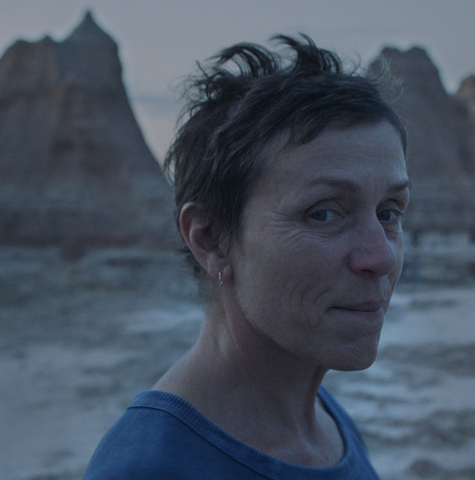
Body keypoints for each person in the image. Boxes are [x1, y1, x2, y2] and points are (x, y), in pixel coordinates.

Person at [83, 34, 409, 479]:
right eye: (324, 213)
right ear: (212, 239)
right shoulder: (150, 468)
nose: (381, 256)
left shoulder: (322, 419)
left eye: (389, 212)